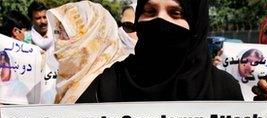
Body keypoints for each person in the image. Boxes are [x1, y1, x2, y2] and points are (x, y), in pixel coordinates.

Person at [76, 0, 243, 103]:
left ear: (197, 24)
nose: (160, 21)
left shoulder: (224, 89)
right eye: (150, 11)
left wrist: (266, 116)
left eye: (175, 13)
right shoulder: (108, 86)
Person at [47, 1, 129, 104]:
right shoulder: (72, 78)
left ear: (89, 37)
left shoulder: (118, 80)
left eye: (66, 32)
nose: (59, 40)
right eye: (58, 31)